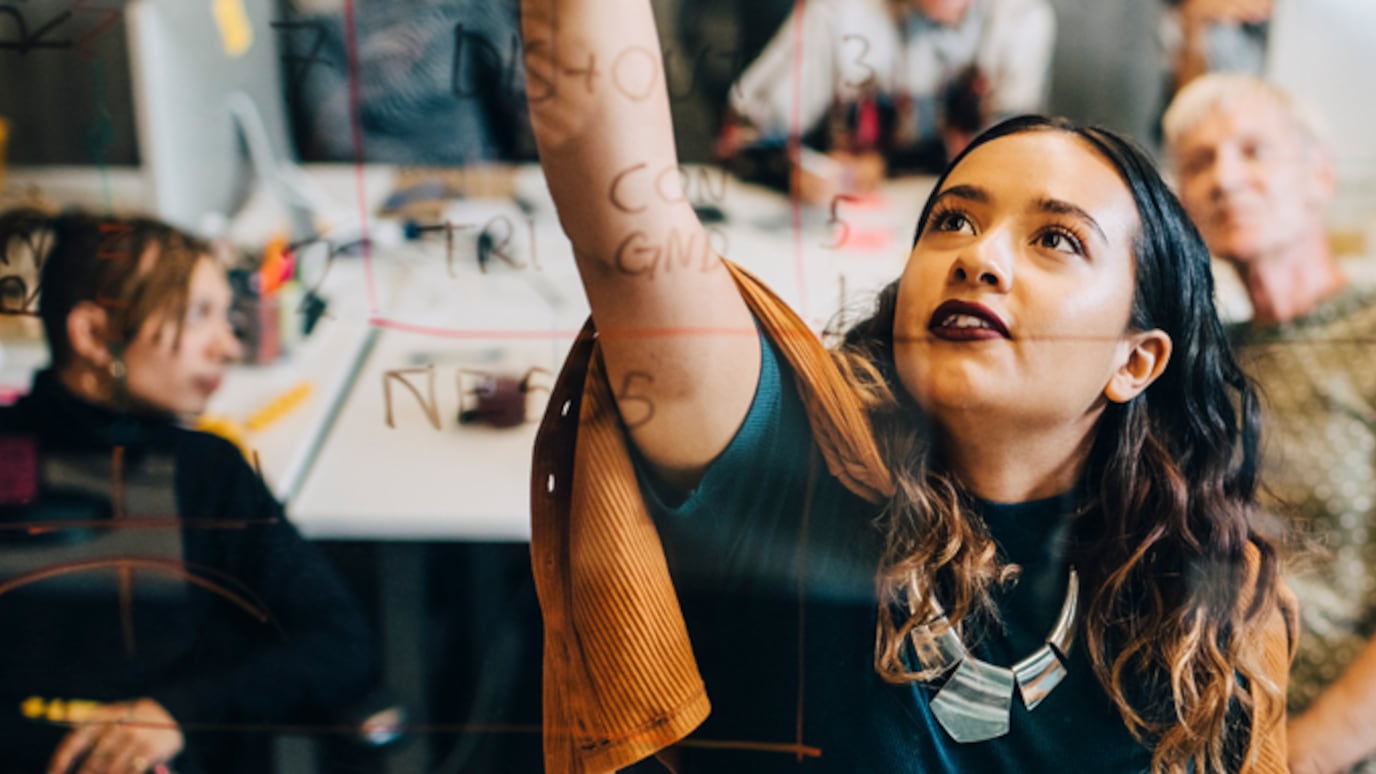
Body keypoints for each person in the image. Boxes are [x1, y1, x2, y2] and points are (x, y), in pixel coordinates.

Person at [521, 0, 1296, 772]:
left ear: (1136, 360)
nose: (979, 258)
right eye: (951, 221)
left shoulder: (1204, 601)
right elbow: (624, 219)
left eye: (1055, 238)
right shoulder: (792, 474)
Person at [0, 209, 378, 774]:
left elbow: (340, 645)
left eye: (225, 317)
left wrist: (177, 713)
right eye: (197, 316)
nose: (227, 346)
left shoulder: (204, 474)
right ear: (95, 334)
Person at [1164, 73, 1376, 774]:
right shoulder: (1194, 363)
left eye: (1255, 151)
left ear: (1319, 176)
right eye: (1199, 163)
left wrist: (1295, 760)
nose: (1225, 179)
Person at [721, 0, 1054, 202]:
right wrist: (790, 173)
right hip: (840, 231)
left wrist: (884, 165)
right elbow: (740, 137)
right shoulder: (840, 13)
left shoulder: (1021, 19)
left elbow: (1010, 159)